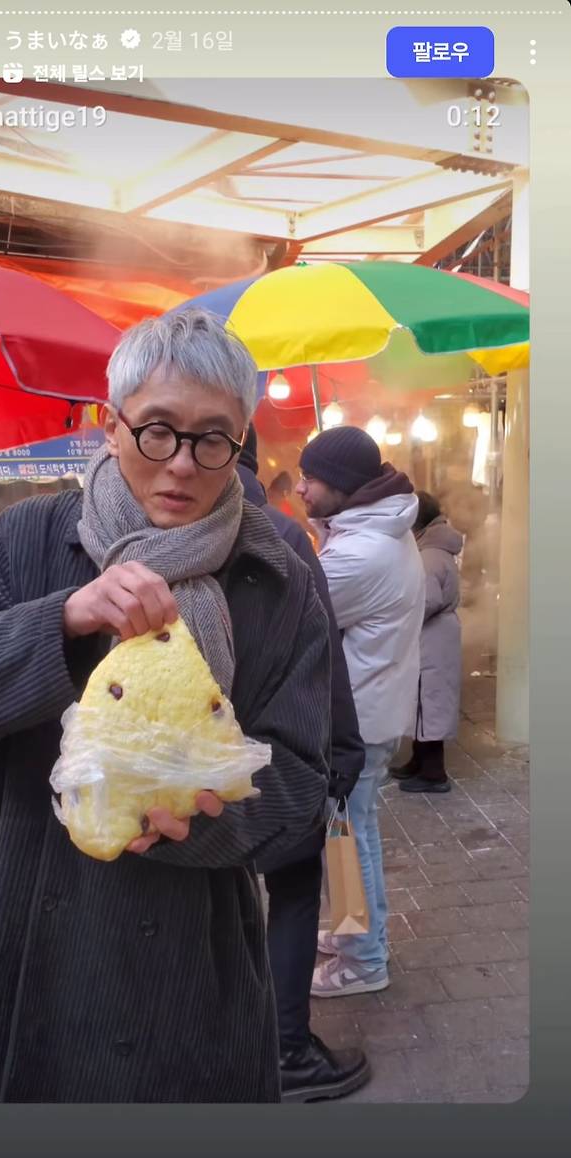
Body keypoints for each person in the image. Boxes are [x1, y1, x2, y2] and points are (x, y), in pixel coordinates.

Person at [0, 309, 333, 1103]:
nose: (181, 465)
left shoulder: (280, 576)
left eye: (211, 439)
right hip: (23, 926)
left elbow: (303, 784)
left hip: (191, 953)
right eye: (156, 430)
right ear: (110, 424)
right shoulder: (27, 540)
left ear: (242, 441)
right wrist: (61, 619)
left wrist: (201, 819)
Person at [237, 425, 370, 1102]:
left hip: (182, 772)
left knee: (213, 901)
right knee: (291, 896)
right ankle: (288, 1048)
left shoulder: (131, 530)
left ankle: (231, 1040)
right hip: (280, 759)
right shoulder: (280, 536)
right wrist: (343, 752)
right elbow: (325, 663)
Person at [294, 426, 425, 998]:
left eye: (311, 478)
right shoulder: (378, 531)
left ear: (345, 486)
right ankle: (355, 934)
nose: (299, 488)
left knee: (344, 838)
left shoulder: (361, 554)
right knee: (356, 832)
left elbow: (295, 616)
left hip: (358, 719)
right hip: (375, 707)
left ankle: (364, 960)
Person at [390, 491, 463, 793]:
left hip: (431, 638)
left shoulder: (429, 555)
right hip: (435, 637)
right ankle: (418, 763)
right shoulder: (434, 550)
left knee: (429, 704)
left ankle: (434, 774)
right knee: (424, 702)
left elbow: (427, 600)